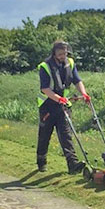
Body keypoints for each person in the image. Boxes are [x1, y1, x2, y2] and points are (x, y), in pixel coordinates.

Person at [36, 40, 91, 173]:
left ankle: (73, 165)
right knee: (45, 136)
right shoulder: (45, 66)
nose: (63, 56)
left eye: (65, 53)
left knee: (66, 135)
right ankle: (41, 161)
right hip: (47, 106)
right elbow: (45, 89)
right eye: (60, 53)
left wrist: (84, 94)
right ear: (54, 53)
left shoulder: (70, 63)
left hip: (63, 106)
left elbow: (77, 80)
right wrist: (57, 98)